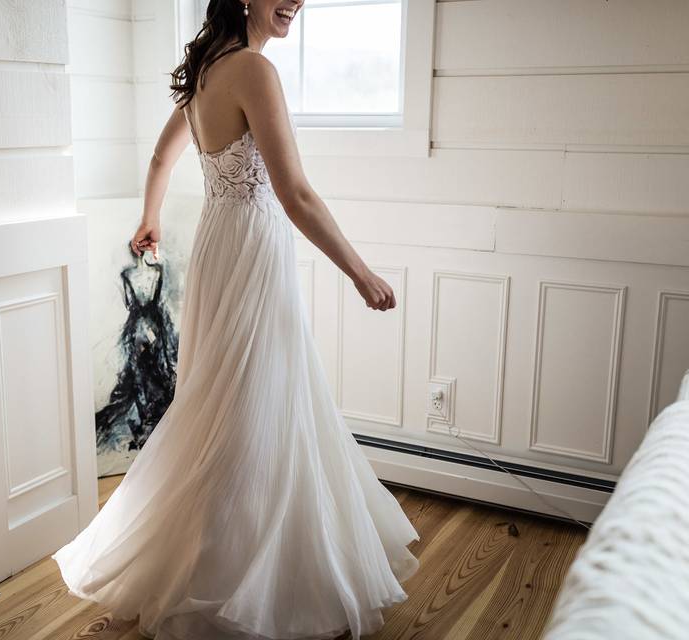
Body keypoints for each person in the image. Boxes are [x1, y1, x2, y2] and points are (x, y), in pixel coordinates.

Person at [51, 1, 420, 638]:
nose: (297, 0)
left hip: (225, 245)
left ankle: (234, 564)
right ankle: (234, 582)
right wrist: (360, 272)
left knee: (227, 404)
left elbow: (162, 160)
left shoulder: (203, 73)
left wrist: (151, 217)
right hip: (252, 251)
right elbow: (295, 192)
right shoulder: (253, 70)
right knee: (248, 408)